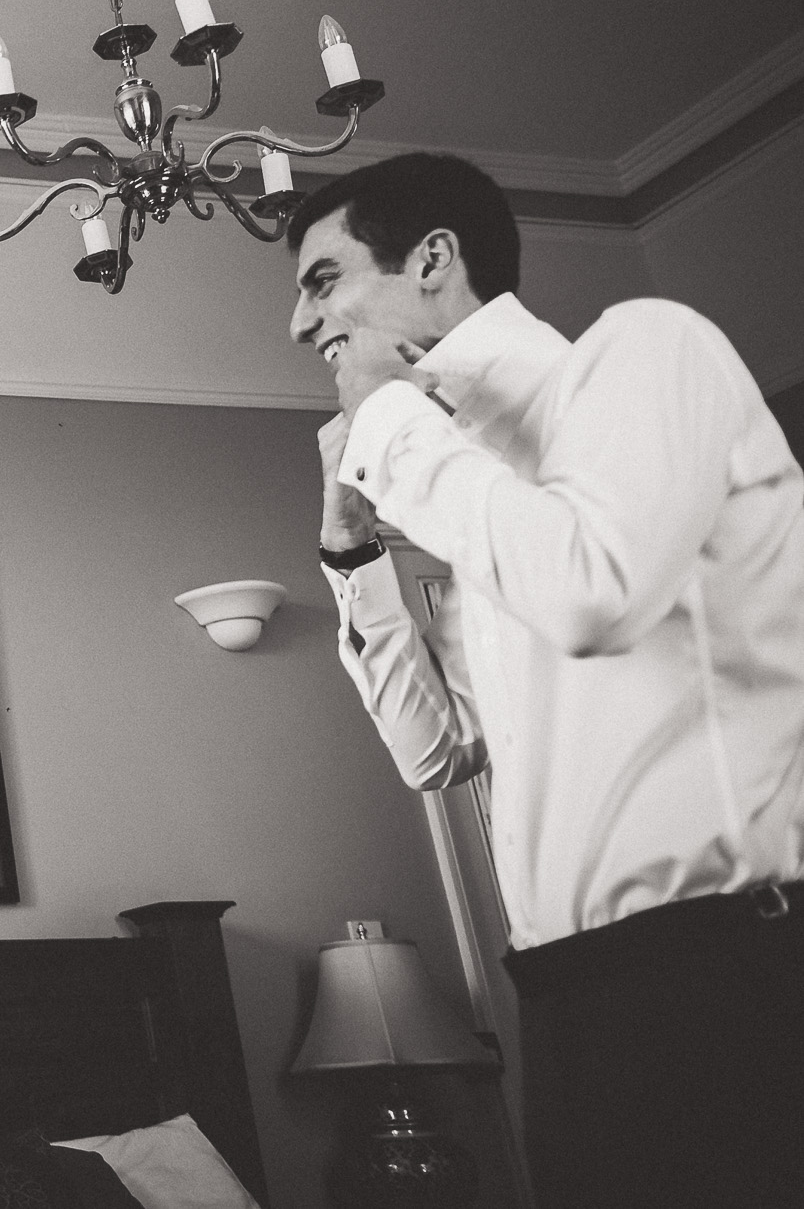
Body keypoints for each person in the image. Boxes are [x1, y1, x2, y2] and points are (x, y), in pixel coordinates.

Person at [286, 152, 804, 1208]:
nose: (301, 325)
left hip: (724, 979)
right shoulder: (489, 507)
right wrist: (351, 557)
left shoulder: (646, 350)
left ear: (432, 258)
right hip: (570, 1001)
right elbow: (436, 753)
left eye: (322, 277)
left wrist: (385, 421)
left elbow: (594, 592)